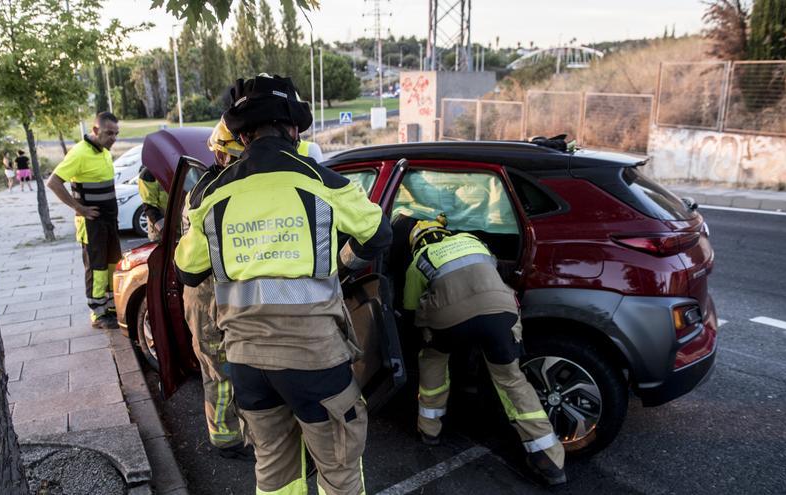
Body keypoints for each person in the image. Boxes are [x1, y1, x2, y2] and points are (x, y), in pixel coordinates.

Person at [175, 74, 391, 495]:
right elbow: (379, 234)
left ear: (242, 133)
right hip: (315, 360)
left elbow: (187, 270)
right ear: (294, 129)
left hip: (246, 363)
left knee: (275, 471)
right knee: (339, 469)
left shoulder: (211, 194)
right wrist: (343, 265)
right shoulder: (323, 182)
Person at [402, 214, 567, 486]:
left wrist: (424, 336)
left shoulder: (419, 258)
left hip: (449, 323)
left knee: (433, 359)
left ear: (416, 240)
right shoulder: (472, 241)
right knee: (511, 380)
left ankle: (429, 430)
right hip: (500, 314)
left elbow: (410, 310)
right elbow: (492, 272)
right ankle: (550, 461)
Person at [180, 118, 247, 458]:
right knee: (219, 369)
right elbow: (191, 267)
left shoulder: (221, 185)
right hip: (207, 294)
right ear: (222, 155)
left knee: (236, 366)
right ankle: (226, 439)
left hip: (228, 291)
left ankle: (241, 433)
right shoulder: (207, 193)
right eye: (238, 157)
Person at [46, 112, 121, 330]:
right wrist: (78, 208)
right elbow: (54, 182)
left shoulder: (104, 152)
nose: (113, 138)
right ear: (95, 130)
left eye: (116, 134)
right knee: (96, 267)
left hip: (109, 221)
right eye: (109, 133)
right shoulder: (79, 153)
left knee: (112, 264)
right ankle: (98, 314)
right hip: (92, 224)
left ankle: (111, 307)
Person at [137, 166, 168, 242]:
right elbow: (149, 206)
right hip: (161, 233)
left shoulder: (178, 167)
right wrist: (164, 229)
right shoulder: (147, 174)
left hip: (183, 229)